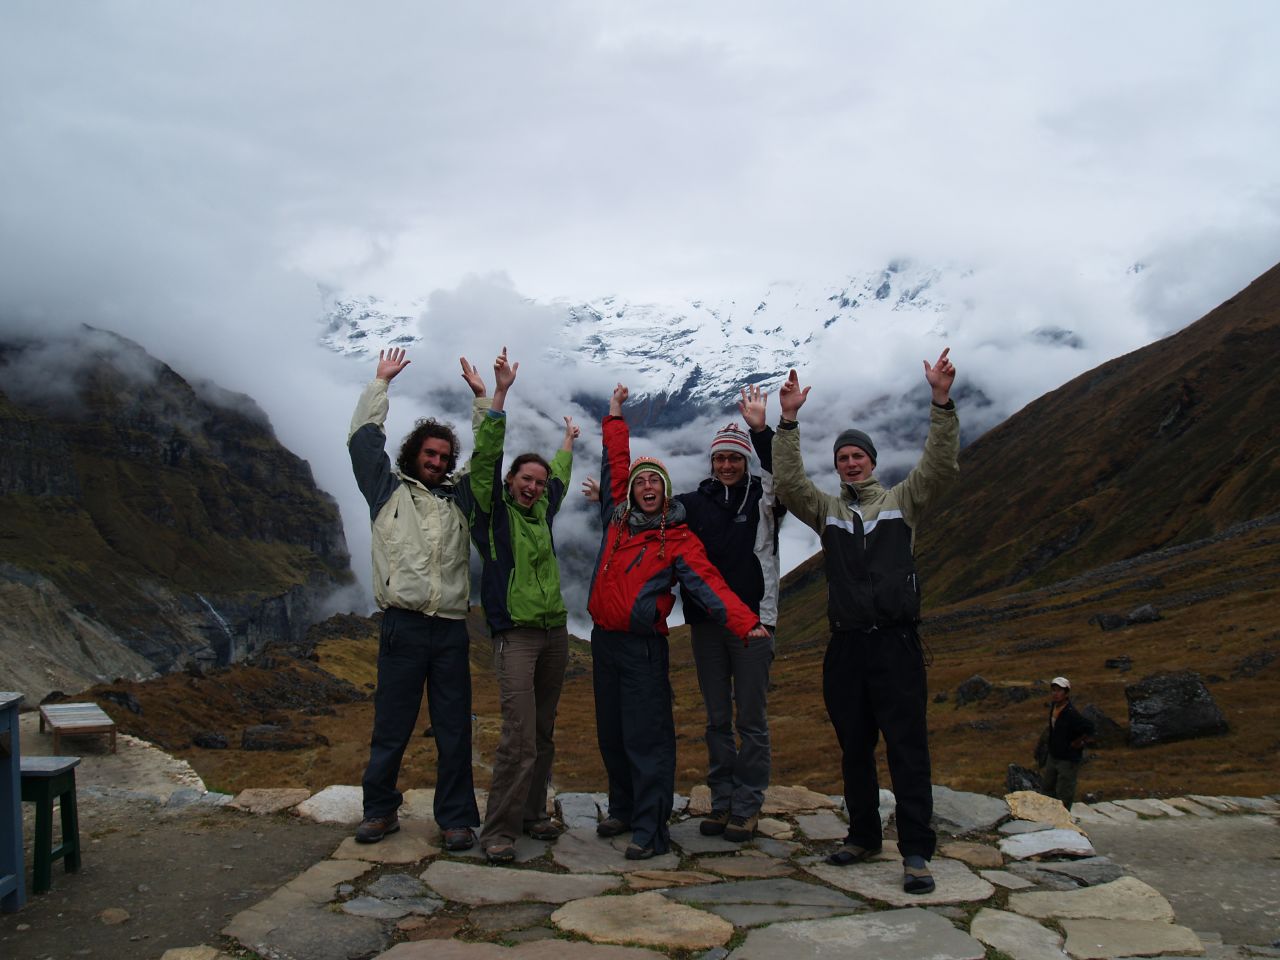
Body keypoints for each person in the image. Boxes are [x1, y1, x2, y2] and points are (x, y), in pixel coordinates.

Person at [772, 349, 959, 895]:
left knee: (907, 748)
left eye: (858, 456)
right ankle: (862, 836)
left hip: (897, 646)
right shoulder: (827, 512)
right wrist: (788, 421)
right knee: (854, 747)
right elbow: (788, 484)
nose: (851, 463)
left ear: (872, 461)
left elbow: (940, 465)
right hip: (846, 647)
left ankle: (917, 851)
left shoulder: (903, 502)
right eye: (843, 458)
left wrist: (940, 401)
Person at [588, 383, 770, 861]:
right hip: (603, 643)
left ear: (666, 494)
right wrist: (614, 414)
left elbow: (710, 585)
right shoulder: (616, 519)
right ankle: (623, 809)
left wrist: (745, 622)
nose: (647, 488)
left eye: (656, 484)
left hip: (643, 648)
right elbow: (615, 463)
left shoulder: (679, 539)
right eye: (642, 483)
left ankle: (651, 829)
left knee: (648, 739)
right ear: (633, 492)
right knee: (612, 733)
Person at [347, 346, 480, 850]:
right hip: (401, 626)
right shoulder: (385, 489)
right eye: (430, 454)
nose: (438, 462)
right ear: (413, 456)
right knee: (392, 725)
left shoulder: (459, 499)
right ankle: (379, 811)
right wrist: (379, 385)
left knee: (453, 729)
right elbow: (362, 443)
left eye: (445, 457)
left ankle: (456, 819)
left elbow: (487, 458)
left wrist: (485, 402)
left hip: (448, 627)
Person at [459, 347, 578, 863]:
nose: (532, 486)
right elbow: (485, 459)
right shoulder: (491, 514)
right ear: (508, 484)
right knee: (518, 738)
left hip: (554, 633)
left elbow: (560, 477)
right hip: (516, 636)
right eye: (523, 480)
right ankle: (499, 831)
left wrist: (567, 444)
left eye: (536, 481)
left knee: (544, 734)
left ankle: (532, 814)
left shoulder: (543, 508)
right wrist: (498, 396)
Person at [676, 386, 785, 843]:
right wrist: (610, 495)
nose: (726, 465)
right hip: (706, 625)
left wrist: (761, 431)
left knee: (752, 721)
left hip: (755, 624)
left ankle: (747, 805)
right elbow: (651, 508)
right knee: (717, 718)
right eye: (720, 458)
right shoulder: (694, 502)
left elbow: (787, 474)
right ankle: (721, 802)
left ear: (744, 462)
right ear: (712, 461)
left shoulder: (765, 500)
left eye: (734, 459)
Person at [1040, 676, 1094, 810]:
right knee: (1047, 786)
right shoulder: (1054, 707)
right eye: (1053, 690)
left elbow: (1089, 728)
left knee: (1064, 791)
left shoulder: (1071, 713)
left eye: (1059, 691)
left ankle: (1064, 821)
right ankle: (1050, 815)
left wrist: (1078, 742)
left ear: (1066, 693)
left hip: (1068, 759)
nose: (1055, 694)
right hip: (1053, 755)